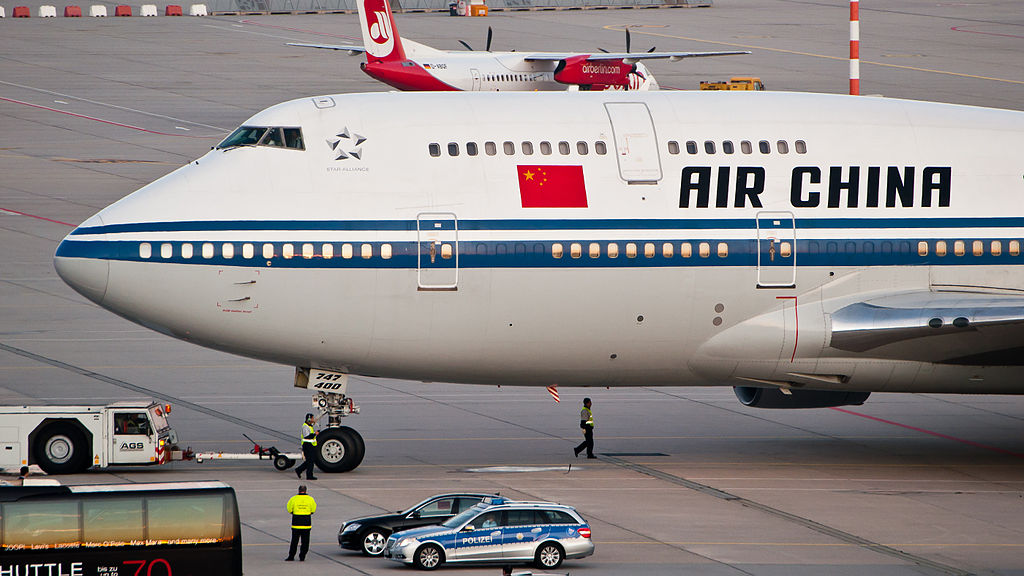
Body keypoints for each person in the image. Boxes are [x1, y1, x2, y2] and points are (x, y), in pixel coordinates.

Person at [285, 485, 317, 561]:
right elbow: (313, 510)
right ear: (306, 490)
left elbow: (289, 509)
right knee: (305, 541)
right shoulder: (310, 499)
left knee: (294, 541)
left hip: (296, 523)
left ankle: (291, 556)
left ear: (298, 490)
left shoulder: (293, 499)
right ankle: (302, 556)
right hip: (306, 524)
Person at [295, 413, 318, 480]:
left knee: (310, 461)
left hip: (311, 445)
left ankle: (299, 470)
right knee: (310, 461)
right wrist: (315, 434)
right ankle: (309, 475)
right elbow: (307, 436)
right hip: (307, 445)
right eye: (312, 418)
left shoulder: (309, 426)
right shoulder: (305, 427)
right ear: (309, 419)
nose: (313, 419)